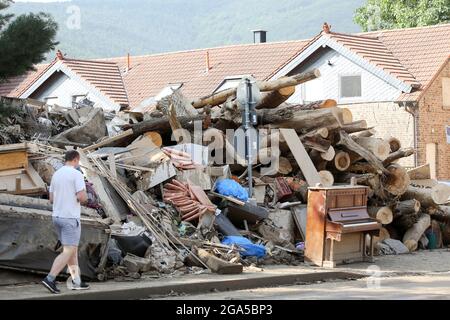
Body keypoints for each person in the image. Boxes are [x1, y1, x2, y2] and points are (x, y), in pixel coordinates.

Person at [41, 150, 90, 293]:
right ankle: (50, 279)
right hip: (70, 218)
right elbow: (82, 197)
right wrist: (86, 197)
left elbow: (51, 199)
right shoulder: (77, 174)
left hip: (57, 217)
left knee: (71, 251)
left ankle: (76, 281)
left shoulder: (56, 174)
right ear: (76, 159)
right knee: (68, 251)